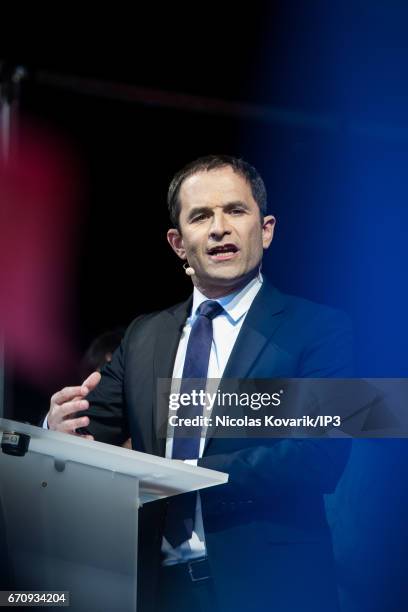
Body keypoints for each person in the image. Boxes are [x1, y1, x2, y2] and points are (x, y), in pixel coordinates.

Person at [46, 155, 353, 612]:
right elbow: (89, 434)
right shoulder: (143, 336)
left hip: (272, 589)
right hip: (156, 589)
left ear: (265, 229)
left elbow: (320, 454)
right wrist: (57, 430)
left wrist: (185, 479)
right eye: (201, 216)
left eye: (235, 210)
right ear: (178, 242)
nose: (219, 228)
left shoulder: (318, 329)